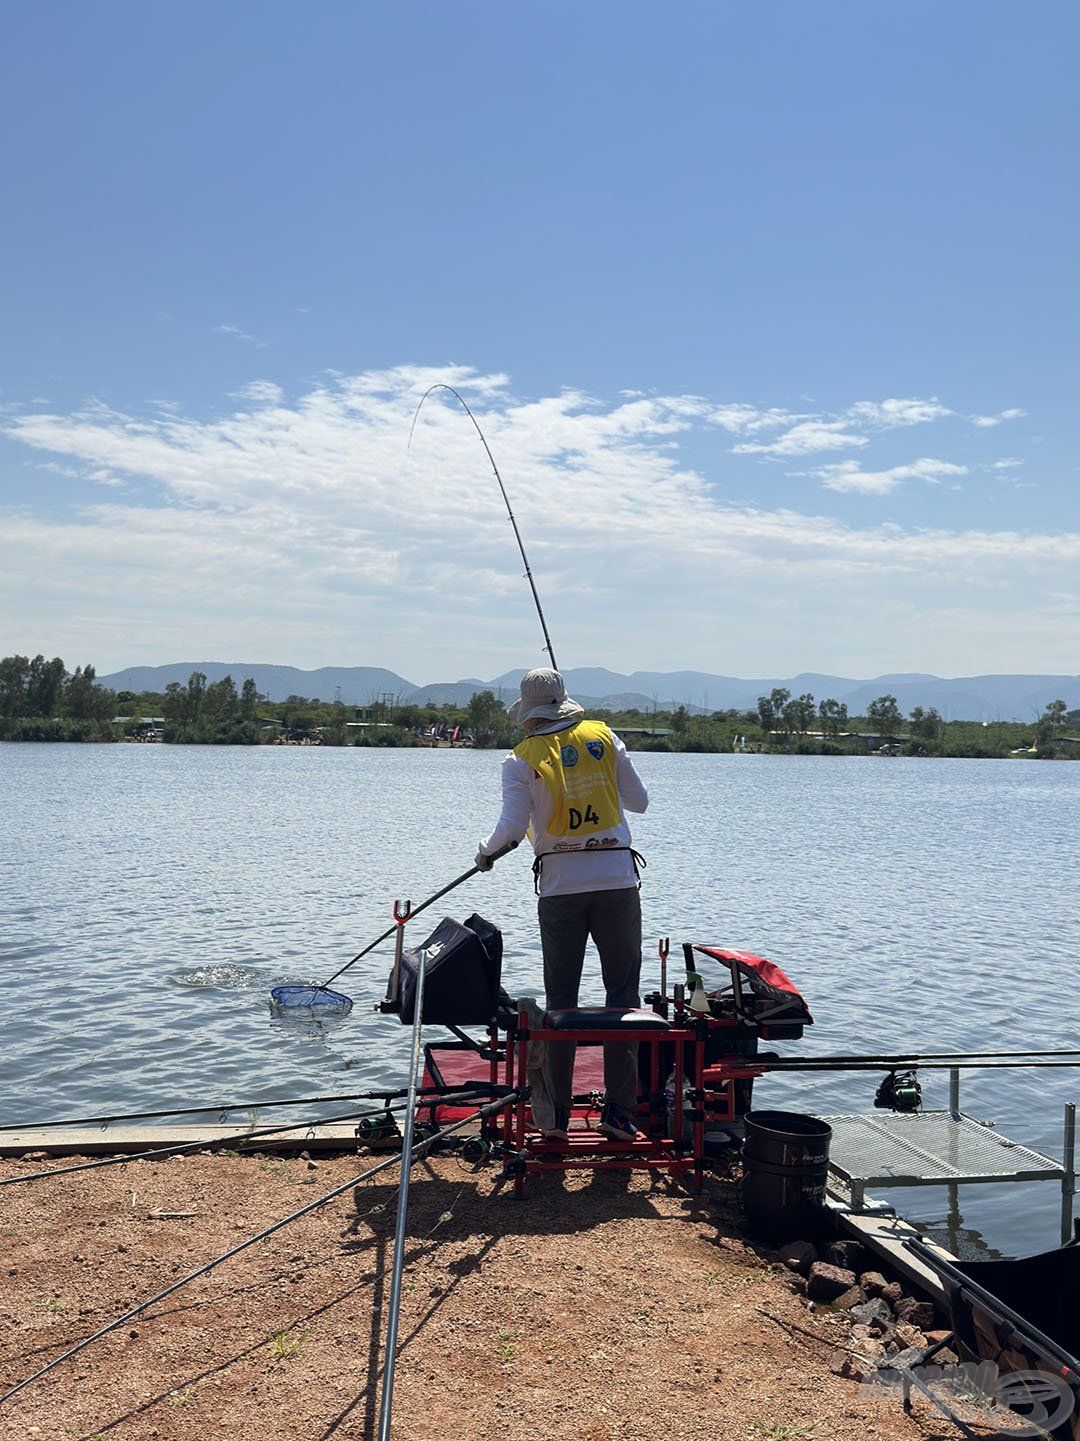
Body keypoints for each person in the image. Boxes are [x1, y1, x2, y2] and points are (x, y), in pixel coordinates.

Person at [475, 667, 649, 1142]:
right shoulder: (604, 737)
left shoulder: (519, 759)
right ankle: (620, 1113)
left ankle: (553, 1116)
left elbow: (511, 829)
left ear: (527, 714)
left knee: (561, 1000)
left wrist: (486, 854)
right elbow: (640, 802)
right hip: (616, 881)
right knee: (623, 999)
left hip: (560, 889)